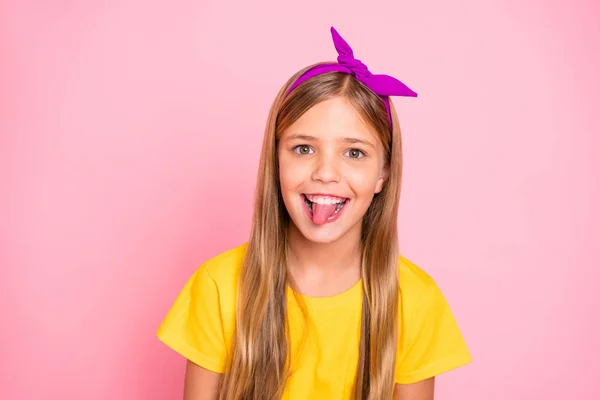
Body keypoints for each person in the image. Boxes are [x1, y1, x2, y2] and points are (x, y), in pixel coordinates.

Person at [156, 27, 472, 400]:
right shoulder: (219, 287)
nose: (325, 173)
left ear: (383, 173)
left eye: (354, 153)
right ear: (276, 160)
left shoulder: (415, 301)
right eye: (303, 148)